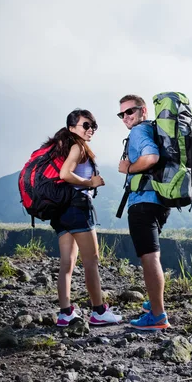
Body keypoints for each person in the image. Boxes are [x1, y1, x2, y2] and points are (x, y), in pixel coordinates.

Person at [46, 109, 122, 327]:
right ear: (72, 128)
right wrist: (90, 183)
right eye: (86, 125)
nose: (91, 130)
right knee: (91, 261)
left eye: (93, 126)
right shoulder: (77, 147)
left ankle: (65, 313)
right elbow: (65, 174)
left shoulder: (62, 147)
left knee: (67, 264)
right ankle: (98, 311)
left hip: (61, 210)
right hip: (77, 208)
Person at [117, 94, 171, 331]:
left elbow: (151, 157)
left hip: (143, 203)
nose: (126, 117)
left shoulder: (139, 132)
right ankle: (154, 304)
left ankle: (157, 316)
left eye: (130, 111)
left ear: (144, 111)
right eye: (122, 114)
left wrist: (127, 167)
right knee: (152, 256)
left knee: (149, 258)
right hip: (159, 202)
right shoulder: (152, 130)